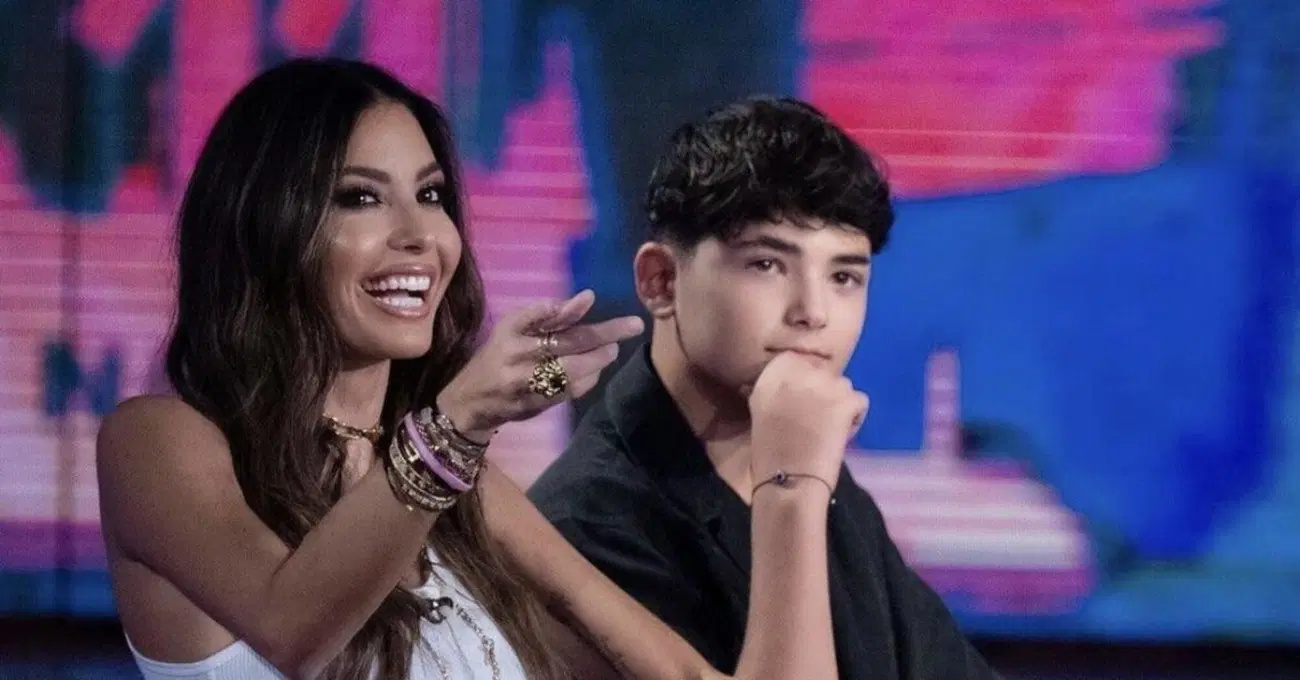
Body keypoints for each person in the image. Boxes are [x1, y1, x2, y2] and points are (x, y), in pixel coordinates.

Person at [96, 59, 864, 680]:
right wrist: (458, 422)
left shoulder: (473, 495)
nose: (420, 235)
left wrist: (790, 486)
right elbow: (294, 631)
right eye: (360, 198)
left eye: (431, 195)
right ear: (265, 226)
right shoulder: (157, 443)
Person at [528, 96, 1002, 680]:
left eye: (844, 276)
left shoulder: (822, 478)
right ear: (661, 281)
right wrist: (793, 493)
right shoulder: (583, 525)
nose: (813, 312)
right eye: (767, 265)